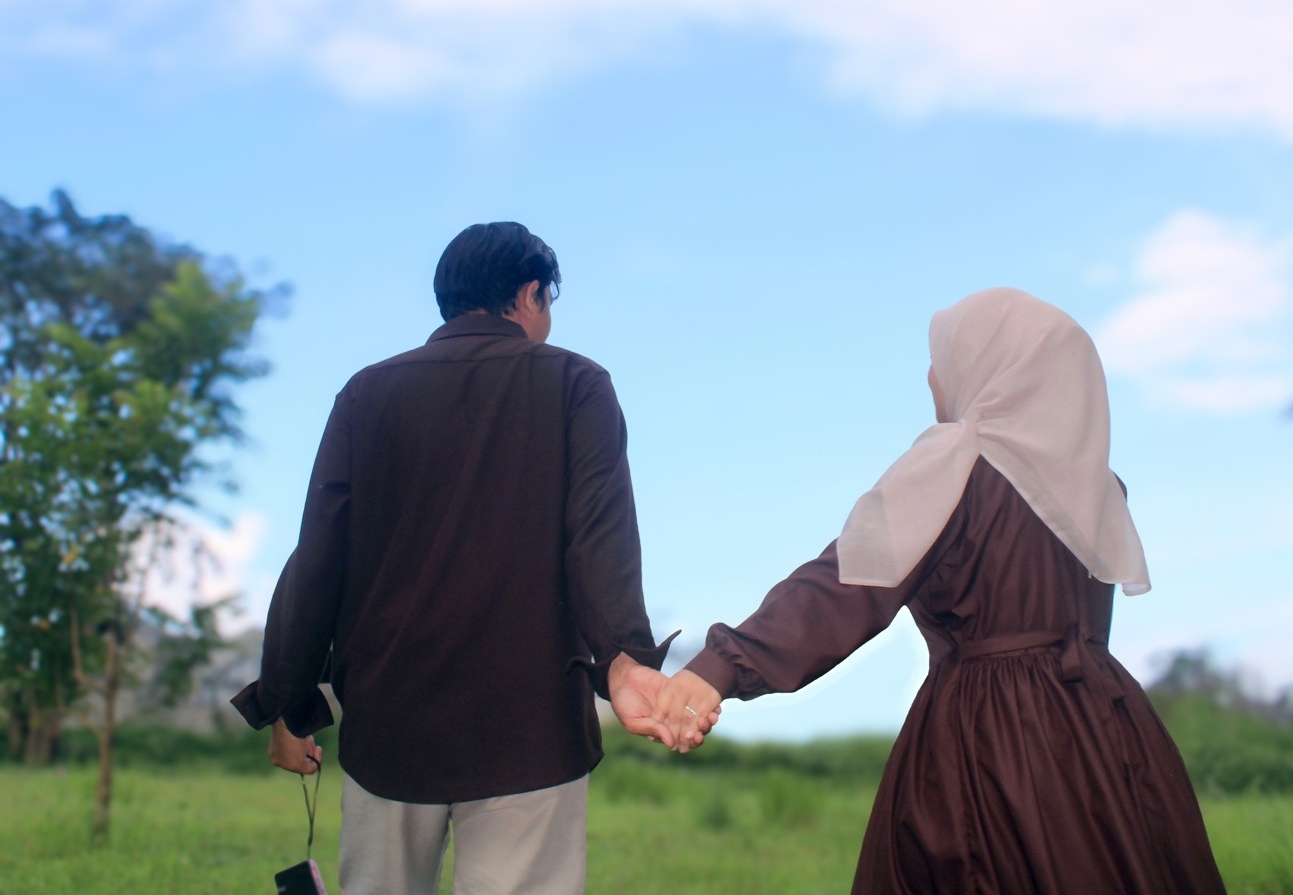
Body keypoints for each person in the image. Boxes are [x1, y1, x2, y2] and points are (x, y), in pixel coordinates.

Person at [655, 288, 1225, 893]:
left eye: (944, 359)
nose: (933, 377)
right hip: (1107, 730)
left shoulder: (958, 463)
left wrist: (722, 666)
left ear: (992, 366)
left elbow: (848, 584)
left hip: (994, 738)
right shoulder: (1099, 484)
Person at [232, 222, 702, 895]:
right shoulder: (577, 383)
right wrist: (623, 662)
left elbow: (319, 557)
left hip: (390, 728)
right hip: (531, 728)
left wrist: (288, 702)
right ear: (532, 293)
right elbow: (601, 543)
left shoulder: (366, 393)